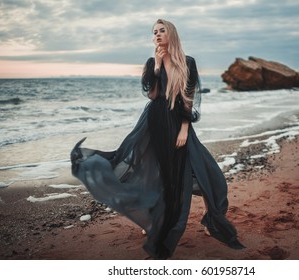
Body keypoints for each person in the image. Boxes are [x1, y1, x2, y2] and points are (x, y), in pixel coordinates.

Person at [70, 19, 244, 259]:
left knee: (206, 172)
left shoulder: (188, 62)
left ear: (171, 33)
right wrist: (158, 65)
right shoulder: (153, 62)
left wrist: (184, 129)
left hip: (178, 122)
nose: (158, 34)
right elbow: (152, 95)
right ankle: (153, 221)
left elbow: (188, 99)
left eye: (162, 30)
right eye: (154, 32)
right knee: (156, 172)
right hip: (154, 123)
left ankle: (210, 218)